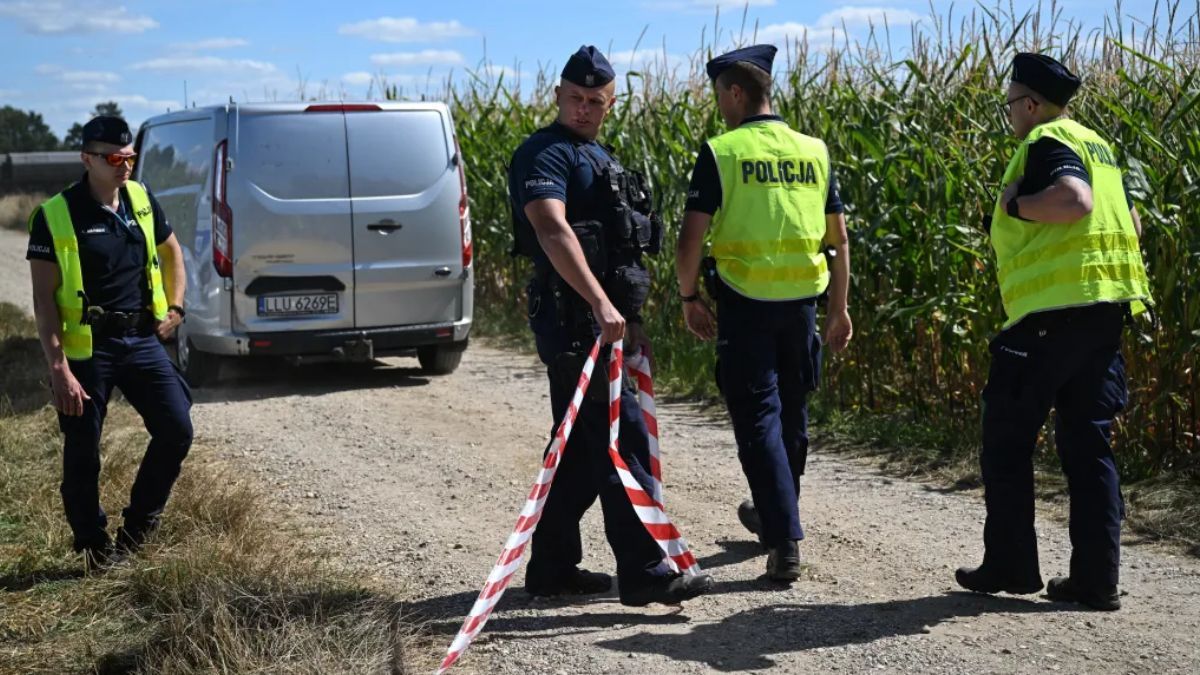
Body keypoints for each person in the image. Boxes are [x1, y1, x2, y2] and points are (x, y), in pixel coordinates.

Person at [507, 45, 713, 605]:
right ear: (557, 96)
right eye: (574, 98)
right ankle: (648, 572)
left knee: (578, 452)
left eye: (595, 100)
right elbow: (553, 231)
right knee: (622, 444)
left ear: (610, 103)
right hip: (578, 326)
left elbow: (621, 250)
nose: (583, 108)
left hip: (608, 326)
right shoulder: (545, 155)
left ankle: (552, 569)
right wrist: (600, 305)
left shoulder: (600, 157)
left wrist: (629, 317)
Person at [955, 53, 1153, 611]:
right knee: (1089, 445)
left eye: (1012, 104)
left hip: (1050, 318)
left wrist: (1017, 205)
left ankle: (1012, 566)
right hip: (1103, 313)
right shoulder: (1100, 146)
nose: (1010, 114)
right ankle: (1096, 580)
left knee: (1007, 438)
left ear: (1033, 104)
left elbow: (1075, 199)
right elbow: (1130, 221)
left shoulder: (1047, 142)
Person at [675, 45, 853, 582]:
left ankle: (783, 538)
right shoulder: (813, 150)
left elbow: (690, 240)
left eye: (719, 97)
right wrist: (840, 309)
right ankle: (774, 512)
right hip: (802, 306)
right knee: (792, 421)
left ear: (734, 93)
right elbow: (838, 240)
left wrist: (688, 299)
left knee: (758, 423)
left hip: (746, 304)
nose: (720, 108)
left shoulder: (723, 151)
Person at [27, 115, 192, 572]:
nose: (124, 166)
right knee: (83, 451)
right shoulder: (55, 215)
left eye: (130, 158)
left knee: (177, 428)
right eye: (114, 158)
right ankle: (93, 546)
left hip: (140, 339)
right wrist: (58, 367)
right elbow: (43, 301)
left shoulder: (140, 198)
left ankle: (137, 532)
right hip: (87, 351)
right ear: (87, 159)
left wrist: (175, 309)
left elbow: (171, 250)